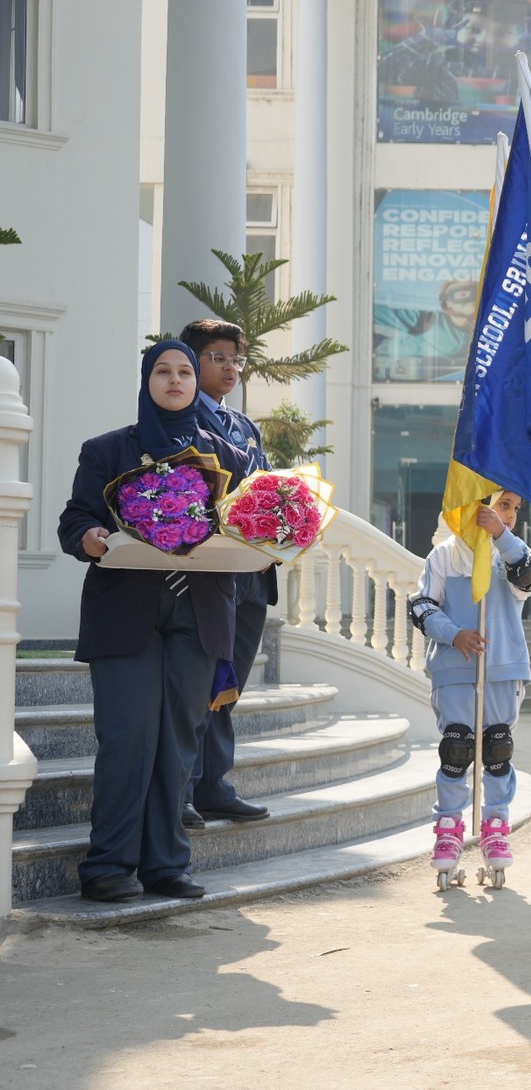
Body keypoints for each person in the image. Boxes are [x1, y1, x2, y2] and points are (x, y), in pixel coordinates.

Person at [57, 341, 250, 902]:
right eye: (163, 372)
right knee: (127, 738)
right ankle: (109, 866)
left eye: (185, 372)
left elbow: (242, 526)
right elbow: (78, 517)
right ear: (146, 382)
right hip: (127, 611)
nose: (175, 380)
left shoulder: (225, 456)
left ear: (195, 384)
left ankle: (166, 865)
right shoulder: (108, 450)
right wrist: (88, 538)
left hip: (200, 611)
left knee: (179, 742)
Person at [406, 489, 531, 889]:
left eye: (516, 508)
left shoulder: (512, 554)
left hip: (503, 668)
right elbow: (423, 607)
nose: (511, 515)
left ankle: (496, 827)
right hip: (455, 668)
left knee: (497, 748)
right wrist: (454, 634)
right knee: (457, 748)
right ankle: (448, 831)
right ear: (477, 505)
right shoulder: (445, 554)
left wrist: (501, 534)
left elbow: (529, 577)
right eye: (503, 505)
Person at [177, 319, 272, 827]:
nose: (231, 367)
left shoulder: (245, 426)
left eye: (237, 359)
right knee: (199, 683)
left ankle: (215, 784)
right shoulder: (178, 417)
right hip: (208, 570)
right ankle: (184, 789)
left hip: (252, 571)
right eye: (218, 357)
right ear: (192, 362)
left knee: (229, 686)